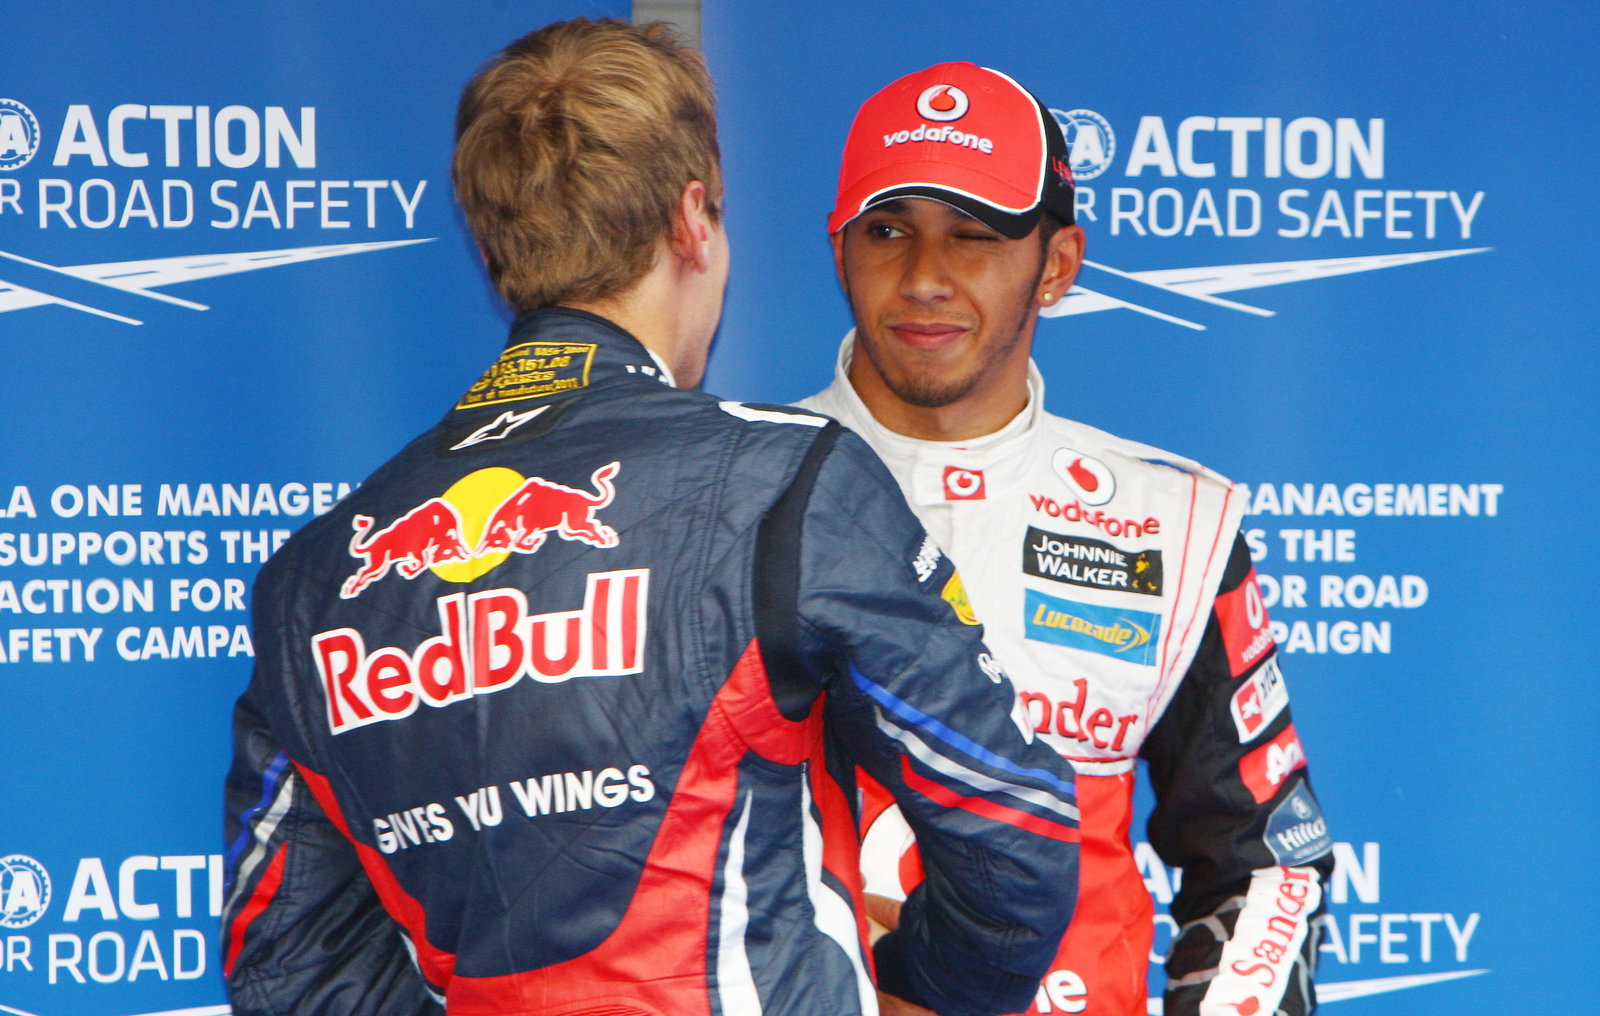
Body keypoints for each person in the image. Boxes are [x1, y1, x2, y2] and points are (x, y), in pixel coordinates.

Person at [221, 22, 1081, 1016]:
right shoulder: (784, 476)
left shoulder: (315, 574)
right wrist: (917, 992)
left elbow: (288, 962)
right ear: (691, 222)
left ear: (498, 244)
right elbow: (1012, 828)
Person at [798, 62, 1335, 1016]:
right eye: (889, 232)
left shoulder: (1175, 524)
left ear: (1057, 264)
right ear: (839, 248)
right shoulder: (723, 490)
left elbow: (1264, 868)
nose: (925, 277)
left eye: (974, 237)